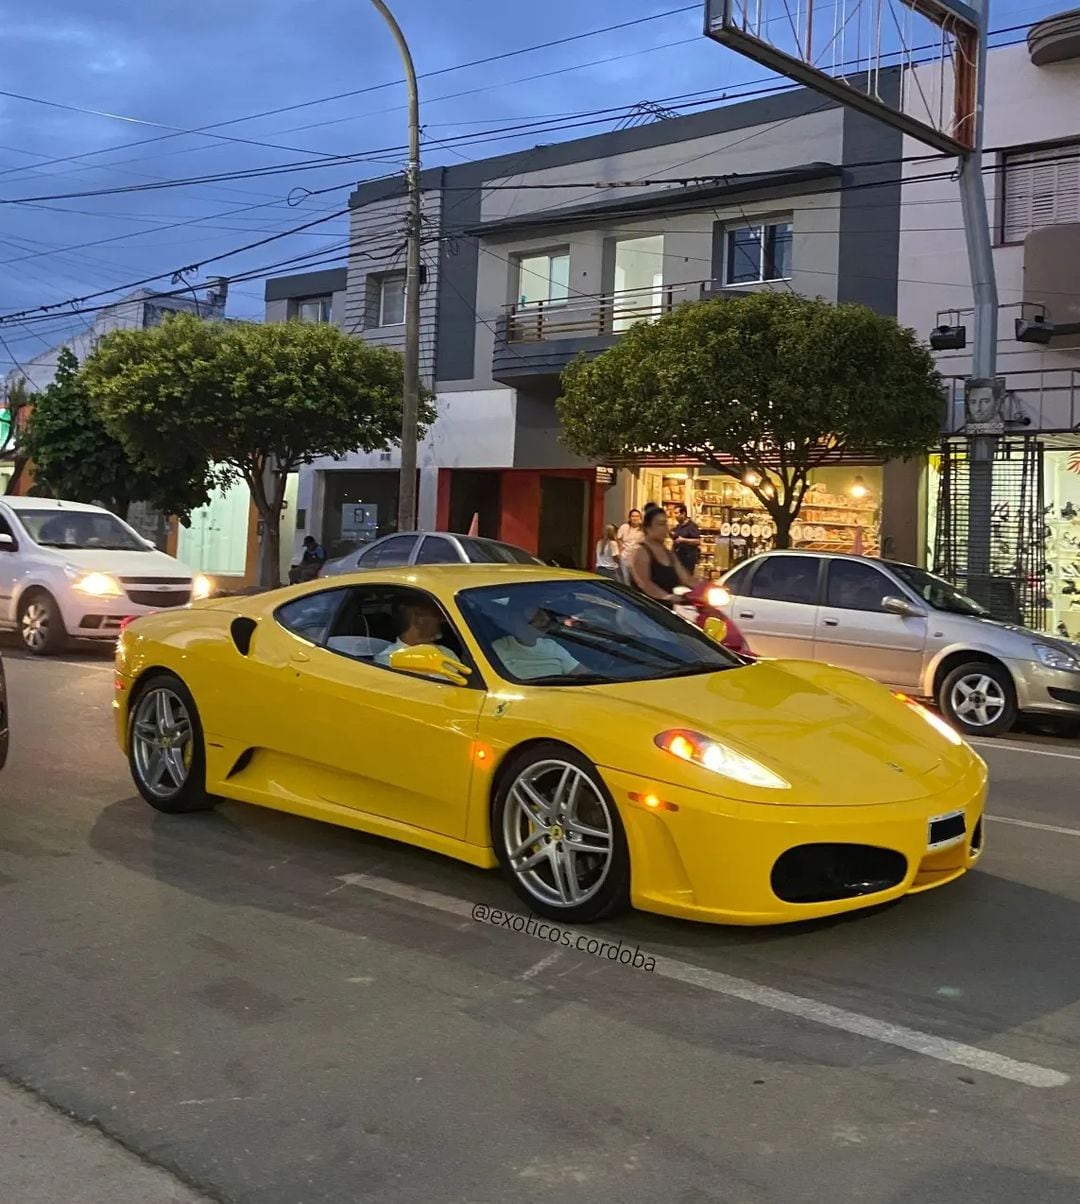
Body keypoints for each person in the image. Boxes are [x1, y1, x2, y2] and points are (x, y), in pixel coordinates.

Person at [490, 606, 582, 681]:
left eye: (544, 619)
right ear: (517, 622)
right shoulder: (498, 648)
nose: (543, 621)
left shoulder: (551, 646)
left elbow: (582, 673)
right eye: (536, 619)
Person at [630, 504, 695, 606]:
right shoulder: (641, 551)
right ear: (648, 528)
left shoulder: (669, 554)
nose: (665, 528)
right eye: (660, 524)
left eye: (665, 523)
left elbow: (685, 577)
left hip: (664, 612)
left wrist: (704, 588)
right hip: (642, 613)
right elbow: (644, 583)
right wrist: (667, 597)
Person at [376, 599, 457, 667]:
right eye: (435, 616)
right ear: (418, 620)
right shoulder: (388, 660)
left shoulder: (446, 652)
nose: (441, 621)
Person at [671, 504, 702, 574]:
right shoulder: (678, 526)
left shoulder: (692, 526)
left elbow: (698, 541)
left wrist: (683, 540)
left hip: (688, 561)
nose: (675, 516)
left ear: (683, 513)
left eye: (676, 513)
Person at [615, 509, 644, 583]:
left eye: (637, 516)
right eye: (633, 516)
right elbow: (618, 539)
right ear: (629, 517)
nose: (635, 518)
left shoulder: (643, 529)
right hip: (625, 556)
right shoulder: (624, 527)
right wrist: (620, 550)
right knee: (626, 579)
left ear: (640, 518)